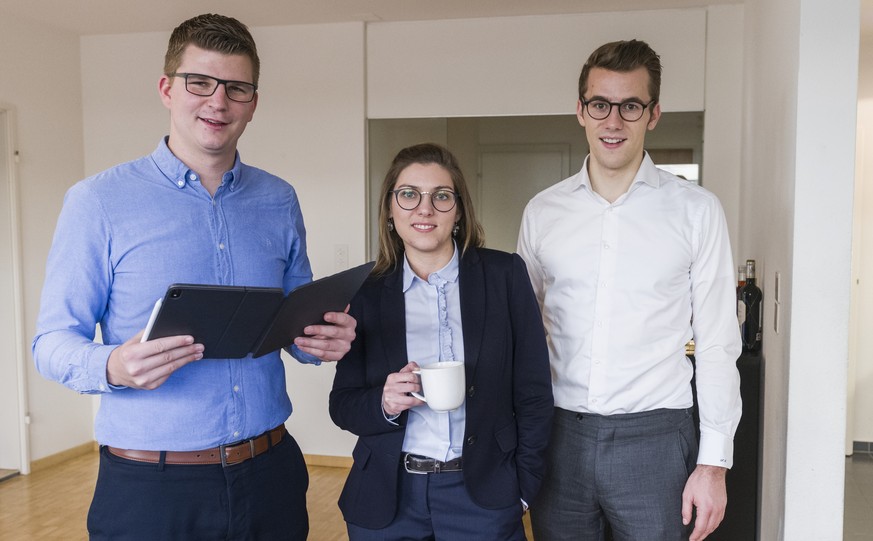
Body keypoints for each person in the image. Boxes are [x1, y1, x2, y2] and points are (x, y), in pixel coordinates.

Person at [31, 14, 355, 540]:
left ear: (253, 101)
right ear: (167, 88)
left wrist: (321, 339)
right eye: (199, 82)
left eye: (236, 88)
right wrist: (112, 364)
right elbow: (50, 342)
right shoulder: (97, 202)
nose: (217, 101)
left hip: (270, 472)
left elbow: (296, 323)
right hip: (151, 488)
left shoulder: (279, 199)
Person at [517, 40, 742, 541]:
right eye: (600, 104)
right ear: (580, 111)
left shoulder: (696, 211)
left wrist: (714, 464)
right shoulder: (542, 212)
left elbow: (718, 342)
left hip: (657, 440)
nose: (613, 121)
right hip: (559, 437)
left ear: (653, 114)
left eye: (631, 106)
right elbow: (524, 335)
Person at [329, 143, 554, 540]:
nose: (425, 209)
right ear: (390, 211)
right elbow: (342, 405)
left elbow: (534, 391)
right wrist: (384, 402)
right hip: (388, 497)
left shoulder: (504, 276)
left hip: (484, 496)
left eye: (442, 196)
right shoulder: (364, 293)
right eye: (409, 194)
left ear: (459, 211)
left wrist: (523, 489)